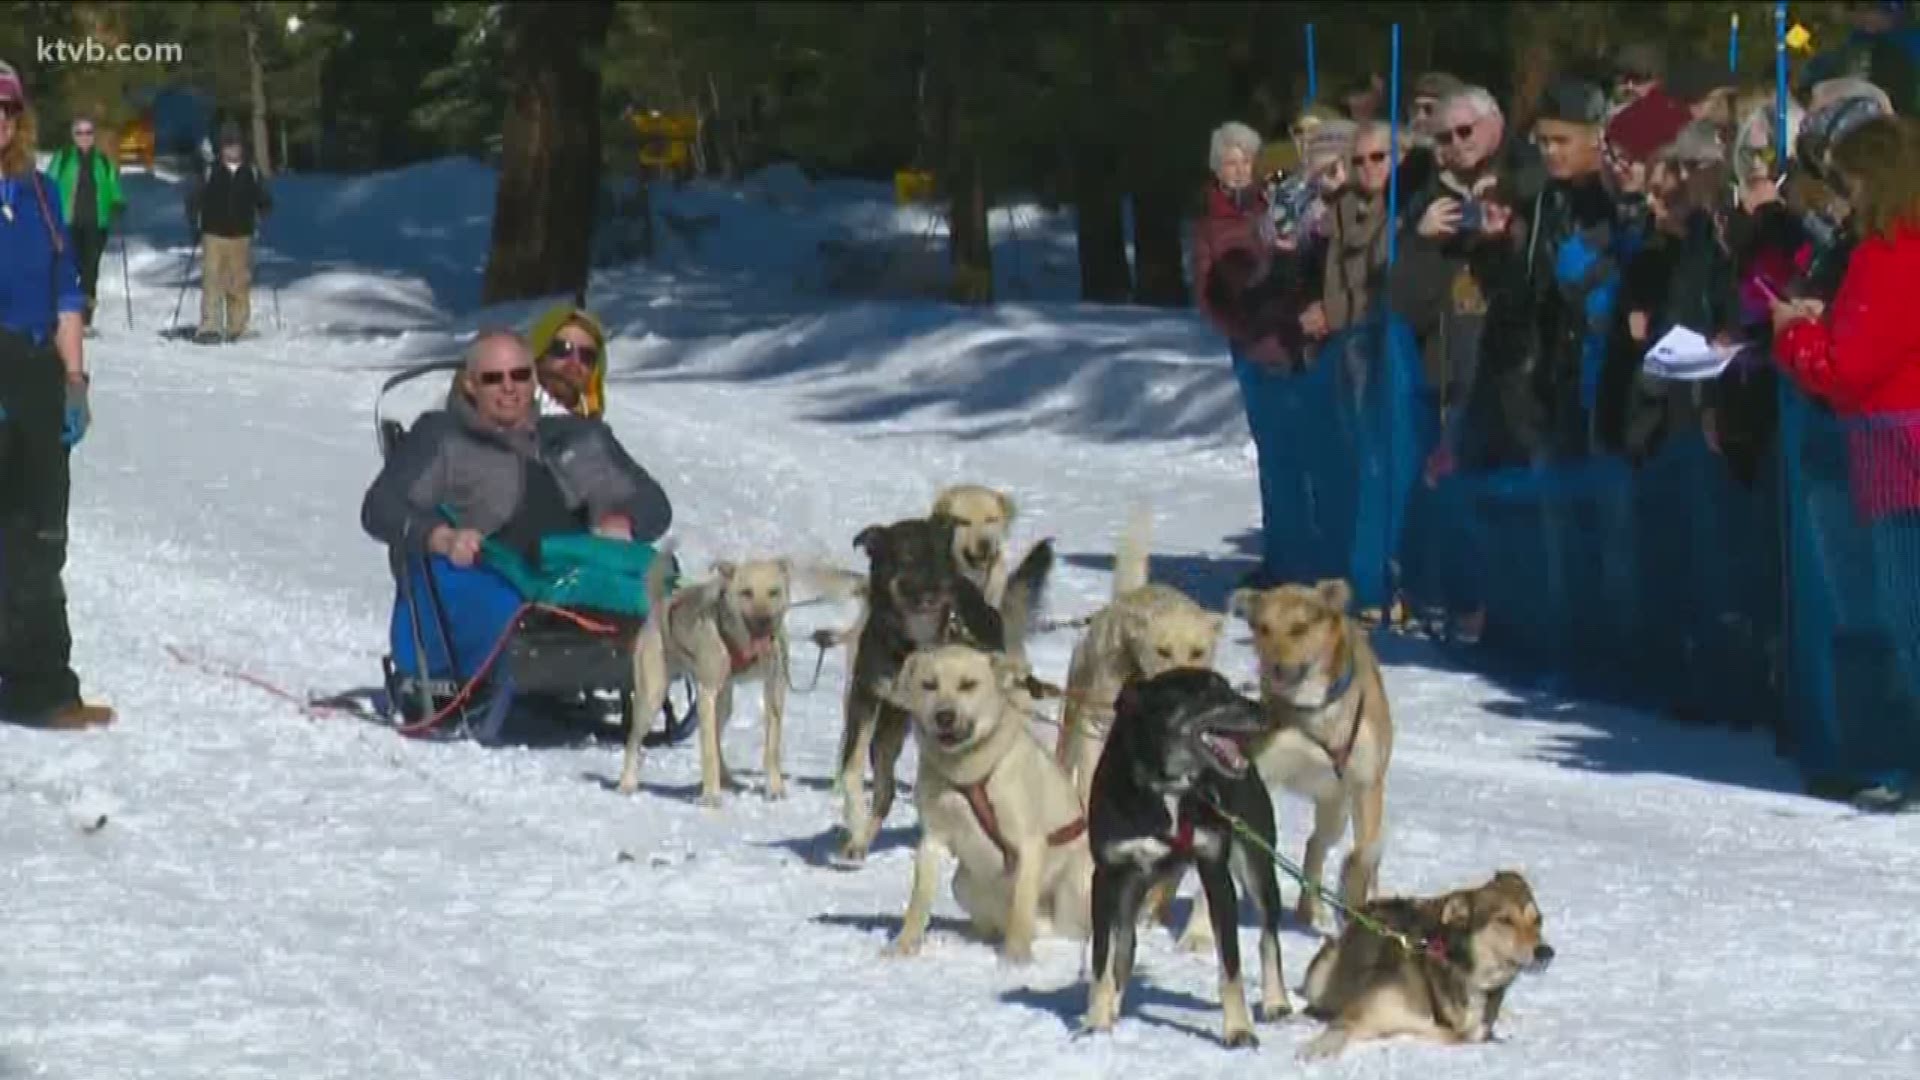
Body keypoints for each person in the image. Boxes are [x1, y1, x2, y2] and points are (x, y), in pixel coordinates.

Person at [361, 329, 673, 685]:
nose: (509, 387)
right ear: (470, 386)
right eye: (493, 379)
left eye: (520, 375)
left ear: (534, 378)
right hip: (488, 576)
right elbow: (380, 507)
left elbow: (654, 503)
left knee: (661, 585)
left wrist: (623, 519)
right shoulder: (442, 437)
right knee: (495, 598)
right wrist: (441, 538)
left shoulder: (575, 438)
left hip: (572, 580)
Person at [1771, 115, 1920, 810]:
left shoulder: (1890, 252)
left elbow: (1850, 368)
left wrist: (1796, 333)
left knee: (1907, 615)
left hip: (1898, 452)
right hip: (1896, 441)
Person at [0, 61, 114, 730]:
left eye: (6, 110)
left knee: (41, 534)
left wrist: (75, 381)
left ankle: (44, 685)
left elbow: (68, 294)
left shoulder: (40, 195)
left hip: (39, 374)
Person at [185, 121, 271, 344]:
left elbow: (261, 197)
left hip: (241, 234)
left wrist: (265, 208)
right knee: (212, 279)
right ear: (220, 149)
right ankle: (210, 326)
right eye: (227, 146)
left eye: (236, 146)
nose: (232, 150)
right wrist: (194, 222)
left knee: (239, 282)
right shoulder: (210, 171)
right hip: (213, 233)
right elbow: (194, 199)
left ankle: (237, 326)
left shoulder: (251, 171)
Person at [46, 114, 125, 331]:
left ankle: (85, 318)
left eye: (88, 132)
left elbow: (113, 186)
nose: (84, 137)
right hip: (67, 223)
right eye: (79, 132)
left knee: (90, 271)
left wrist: (118, 202)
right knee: (69, 269)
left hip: (96, 224)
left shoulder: (103, 161)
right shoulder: (62, 158)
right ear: (72, 136)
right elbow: (47, 186)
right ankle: (65, 314)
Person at [528, 302, 610, 419]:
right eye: (562, 349)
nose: (575, 362)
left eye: (586, 356)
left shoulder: (594, 432)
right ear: (539, 354)